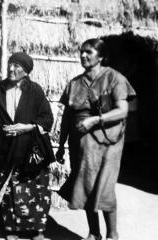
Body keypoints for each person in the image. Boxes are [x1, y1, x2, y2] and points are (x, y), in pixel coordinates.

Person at [56, 38, 136, 240]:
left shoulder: (114, 78)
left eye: (89, 52)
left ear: (101, 57)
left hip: (108, 141)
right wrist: (62, 144)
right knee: (85, 186)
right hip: (80, 144)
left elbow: (123, 110)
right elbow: (67, 116)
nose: (83, 55)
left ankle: (112, 234)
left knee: (105, 186)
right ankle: (94, 232)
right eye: (81, 51)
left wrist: (95, 120)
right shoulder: (74, 83)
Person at [0, 52, 55, 240]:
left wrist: (26, 128)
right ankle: (10, 229)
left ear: (27, 71)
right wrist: (1, 129)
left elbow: (47, 118)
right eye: (10, 64)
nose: (12, 69)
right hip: (6, 148)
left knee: (35, 191)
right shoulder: (0, 89)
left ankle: (37, 230)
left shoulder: (35, 90)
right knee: (9, 191)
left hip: (30, 150)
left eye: (17, 66)